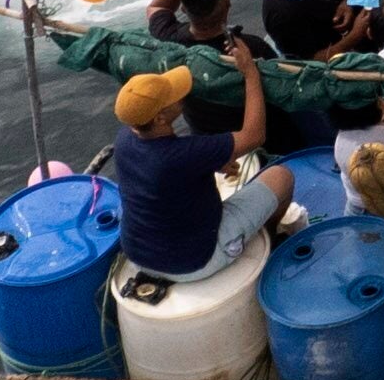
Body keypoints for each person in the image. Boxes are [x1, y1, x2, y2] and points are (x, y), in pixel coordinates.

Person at [102, 49, 281, 277]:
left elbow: (170, 169)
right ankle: (272, 241)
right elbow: (254, 136)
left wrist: (213, 162)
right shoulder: (183, 154)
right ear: (160, 119)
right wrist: (251, 75)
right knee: (280, 176)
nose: (182, 95)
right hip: (193, 262)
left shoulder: (125, 138)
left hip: (138, 255)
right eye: (173, 96)